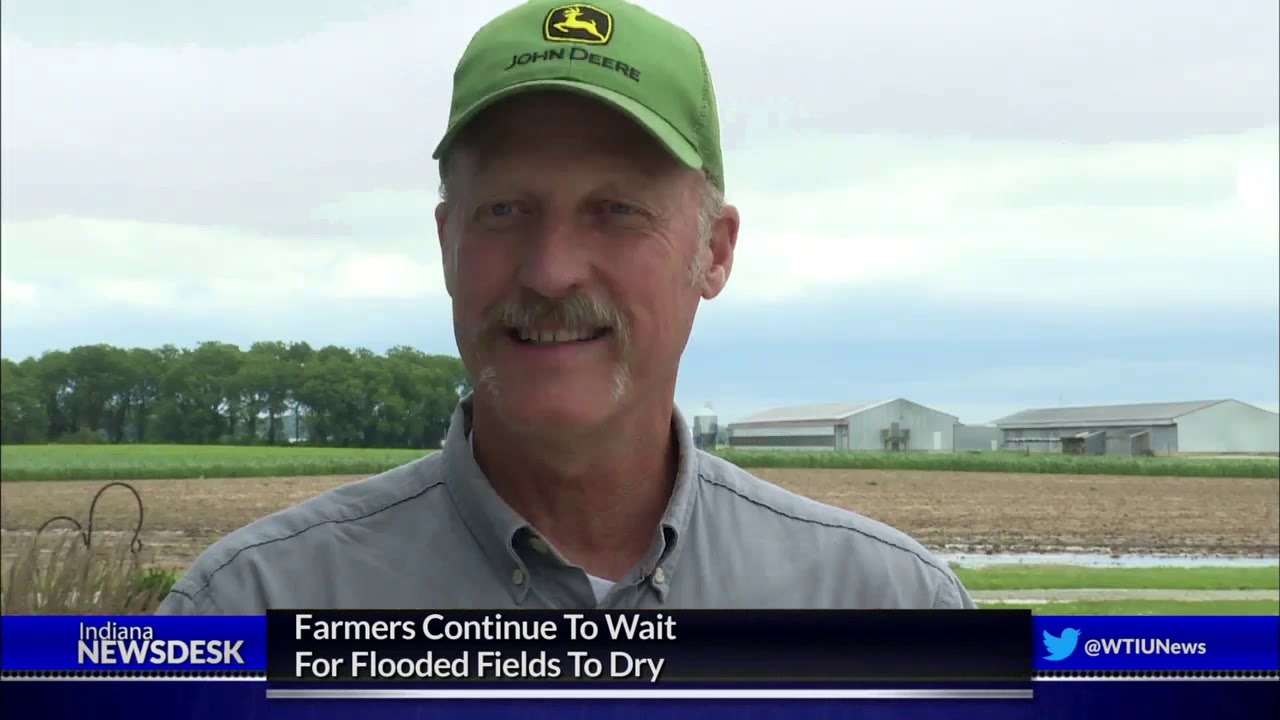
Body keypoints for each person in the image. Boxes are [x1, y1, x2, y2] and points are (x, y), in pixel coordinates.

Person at [156, 0, 975, 614]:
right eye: (505, 210)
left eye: (616, 211)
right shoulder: (250, 610)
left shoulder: (891, 611)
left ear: (715, 252)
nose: (550, 273)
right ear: (446, 243)